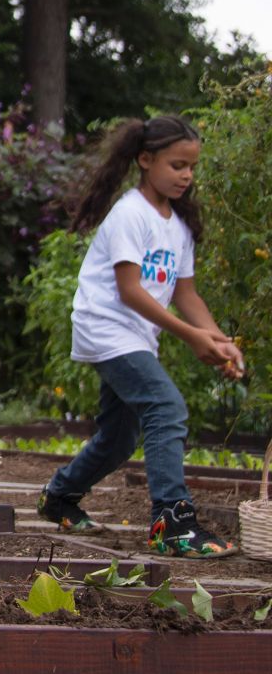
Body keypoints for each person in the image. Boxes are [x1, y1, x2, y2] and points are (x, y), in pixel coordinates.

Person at [38, 115, 244, 558]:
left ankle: (59, 496)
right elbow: (130, 291)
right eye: (177, 165)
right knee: (165, 406)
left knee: (119, 437)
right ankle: (172, 521)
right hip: (106, 328)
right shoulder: (131, 213)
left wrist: (219, 340)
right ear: (145, 160)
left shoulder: (178, 225)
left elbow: (186, 295)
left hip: (135, 336)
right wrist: (193, 337)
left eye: (191, 167)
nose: (186, 176)